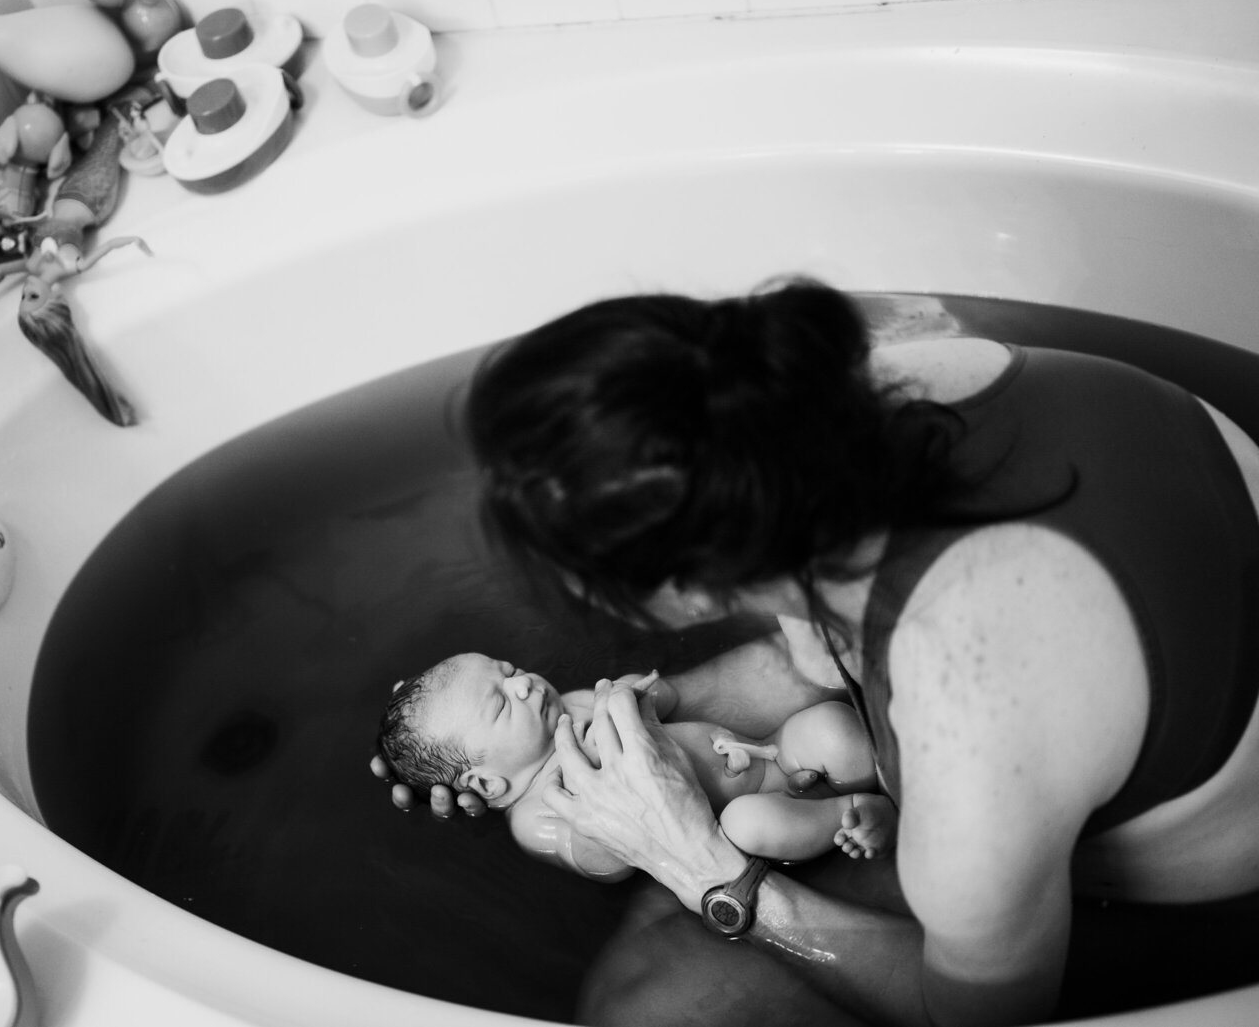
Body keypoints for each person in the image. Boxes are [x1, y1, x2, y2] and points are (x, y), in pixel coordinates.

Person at [379, 278, 1259, 1027]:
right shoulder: (862, 379)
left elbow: (983, 1014)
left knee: (640, 1001)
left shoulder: (975, 722)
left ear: (692, 590)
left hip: (1197, 900)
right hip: (1140, 649)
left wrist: (709, 870)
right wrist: (555, 749)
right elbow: (817, 650)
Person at [377, 653, 895, 879]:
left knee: (828, 724)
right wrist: (599, 792)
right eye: (501, 703)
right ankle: (855, 814)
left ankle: (893, 779)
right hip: (747, 809)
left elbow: (666, 701)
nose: (523, 683)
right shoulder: (535, 816)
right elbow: (610, 861)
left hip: (766, 751)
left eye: (507, 670)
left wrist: (642, 691)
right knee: (749, 826)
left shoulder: (575, 703)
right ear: (485, 782)